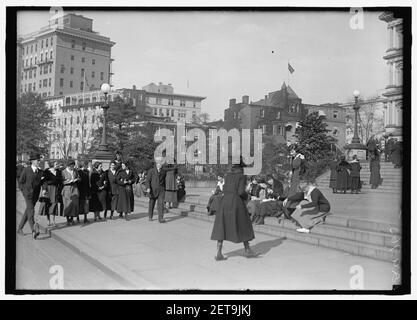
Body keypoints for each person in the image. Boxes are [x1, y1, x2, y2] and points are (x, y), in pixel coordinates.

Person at [210, 159, 257, 261]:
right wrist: (247, 196)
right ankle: (247, 250)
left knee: (222, 226)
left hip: (224, 201)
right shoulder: (242, 176)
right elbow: (240, 192)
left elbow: (225, 188)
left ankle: (219, 252)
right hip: (236, 202)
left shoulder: (228, 175)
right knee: (243, 224)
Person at [17, 152, 45, 239]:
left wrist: (44, 189)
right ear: (32, 161)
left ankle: (19, 228)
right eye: (37, 160)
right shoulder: (26, 170)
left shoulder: (40, 171)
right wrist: (23, 192)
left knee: (28, 211)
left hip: (35, 195)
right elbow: (21, 182)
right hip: (27, 195)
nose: (39, 162)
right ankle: (34, 230)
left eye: (39, 161)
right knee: (31, 211)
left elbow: (43, 182)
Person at [39, 161, 62, 226]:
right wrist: (44, 189)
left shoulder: (58, 172)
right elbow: (43, 182)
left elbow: (60, 181)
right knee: (47, 204)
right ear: (52, 165)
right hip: (48, 189)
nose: (57, 165)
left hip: (55, 189)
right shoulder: (46, 172)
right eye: (56, 164)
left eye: (57, 164)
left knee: (54, 204)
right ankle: (48, 220)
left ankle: (53, 221)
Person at [61, 159, 80, 226]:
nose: (72, 167)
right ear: (68, 165)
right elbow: (61, 181)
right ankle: (67, 220)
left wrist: (77, 179)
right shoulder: (63, 172)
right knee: (67, 204)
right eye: (71, 166)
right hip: (67, 189)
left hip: (74, 189)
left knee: (74, 204)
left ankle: (71, 218)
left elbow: (79, 178)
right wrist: (67, 181)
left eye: (73, 166)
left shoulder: (75, 171)